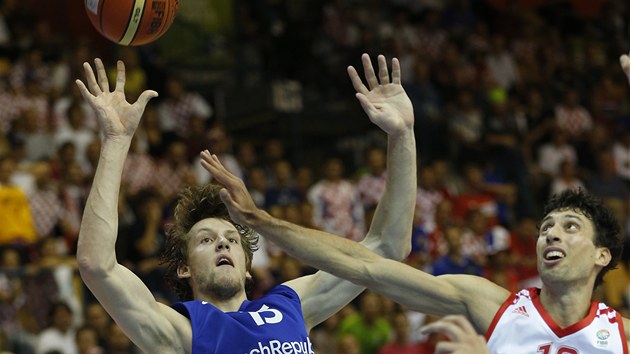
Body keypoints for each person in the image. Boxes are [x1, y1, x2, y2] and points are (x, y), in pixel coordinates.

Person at [202, 53, 630, 353]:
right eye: (546, 227)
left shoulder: (623, 336)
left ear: (602, 255)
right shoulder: (490, 305)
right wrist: (261, 220)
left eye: (570, 226)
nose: (550, 233)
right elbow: (369, 263)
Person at [75, 52, 416, 353]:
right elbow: (97, 265)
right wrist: (116, 141)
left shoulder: (291, 304)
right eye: (206, 240)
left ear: (247, 265)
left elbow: (387, 246)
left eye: (231, 239)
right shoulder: (183, 332)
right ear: (185, 268)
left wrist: (402, 135)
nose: (222, 241)